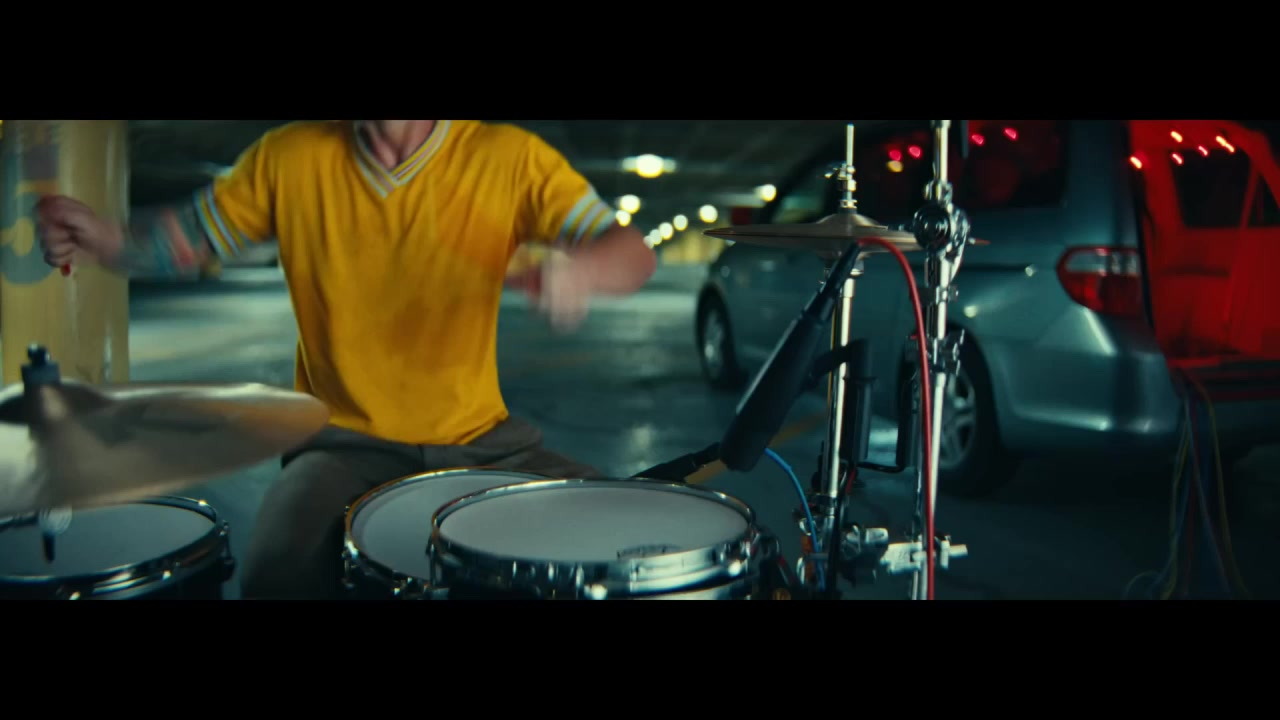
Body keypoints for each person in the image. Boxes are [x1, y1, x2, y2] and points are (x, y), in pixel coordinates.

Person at [36, 120, 657, 599]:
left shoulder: (509, 157)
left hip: (483, 437)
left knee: (625, 535)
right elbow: (187, 240)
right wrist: (105, 240)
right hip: (340, 444)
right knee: (276, 574)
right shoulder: (288, 158)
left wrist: (581, 271)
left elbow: (631, 251)